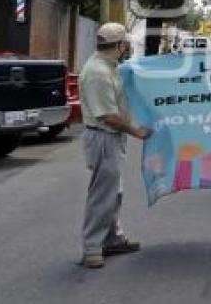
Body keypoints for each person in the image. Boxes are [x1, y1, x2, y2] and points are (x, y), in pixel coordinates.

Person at [79, 23, 152, 269]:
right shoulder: (98, 73)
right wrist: (136, 131)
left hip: (109, 138)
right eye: (126, 43)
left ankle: (112, 239)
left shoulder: (111, 68)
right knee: (102, 194)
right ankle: (92, 248)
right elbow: (107, 116)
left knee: (114, 192)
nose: (128, 47)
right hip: (103, 137)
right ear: (120, 45)